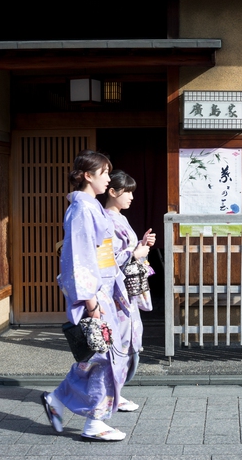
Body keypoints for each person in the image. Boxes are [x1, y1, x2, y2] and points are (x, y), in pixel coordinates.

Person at [41, 150, 131, 441]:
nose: (108, 179)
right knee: (104, 358)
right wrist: (91, 302)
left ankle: (57, 399)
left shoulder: (89, 206)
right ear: (88, 176)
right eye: (104, 173)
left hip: (102, 289)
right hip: (92, 294)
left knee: (95, 357)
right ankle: (95, 421)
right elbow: (80, 257)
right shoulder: (82, 209)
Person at [103, 170, 156, 410]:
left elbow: (127, 251)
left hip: (126, 291)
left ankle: (115, 392)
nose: (132, 197)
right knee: (121, 342)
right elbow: (108, 258)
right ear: (112, 192)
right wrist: (134, 254)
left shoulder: (120, 218)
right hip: (116, 293)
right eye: (128, 192)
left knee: (130, 340)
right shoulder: (106, 220)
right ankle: (111, 394)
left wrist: (142, 244)